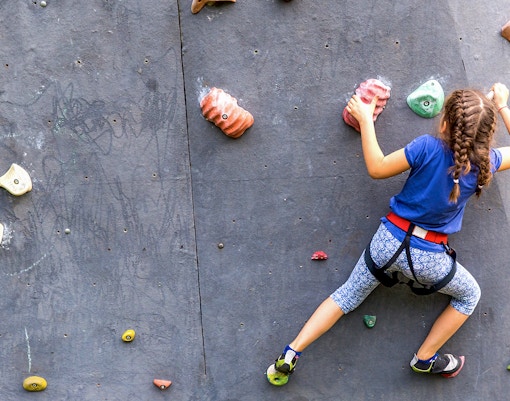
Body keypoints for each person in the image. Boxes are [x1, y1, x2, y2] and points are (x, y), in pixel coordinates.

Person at [266, 83, 510, 385]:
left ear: (444, 123)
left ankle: (291, 353)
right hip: (430, 258)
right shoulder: (487, 163)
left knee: (347, 295)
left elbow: (378, 168)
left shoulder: (426, 146)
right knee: (469, 296)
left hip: (388, 240)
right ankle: (425, 358)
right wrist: (501, 105)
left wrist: (367, 120)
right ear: (487, 136)